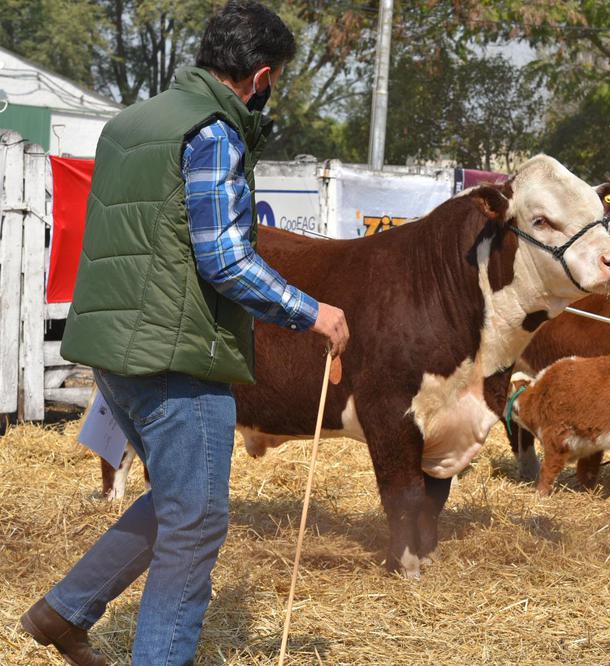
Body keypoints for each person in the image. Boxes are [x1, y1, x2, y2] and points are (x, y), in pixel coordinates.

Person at [19, 2, 349, 664]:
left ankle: (62, 613)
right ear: (260, 76)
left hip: (116, 350)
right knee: (196, 522)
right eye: (274, 81)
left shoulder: (129, 124)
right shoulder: (215, 132)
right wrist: (312, 311)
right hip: (178, 355)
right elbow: (223, 256)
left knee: (178, 500)